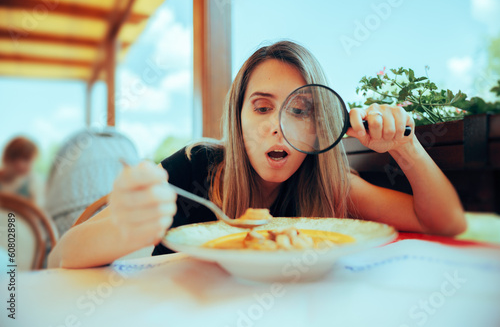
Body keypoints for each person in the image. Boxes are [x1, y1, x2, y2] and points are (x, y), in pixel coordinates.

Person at [48, 41, 466, 269]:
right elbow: (60, 256)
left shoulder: (330, 182)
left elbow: (446, 222)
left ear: (320, 125)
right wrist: (124, 227)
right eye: (263, 107)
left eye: (300, 111)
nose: (278, 126)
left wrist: (405, 147)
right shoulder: (191, 168)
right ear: (239, 118)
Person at [0, 136, 43, 206]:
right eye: (15, 157)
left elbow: (36, 211)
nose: (20, 164)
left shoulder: (32, 183)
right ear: (7, 157)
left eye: (27, 159)